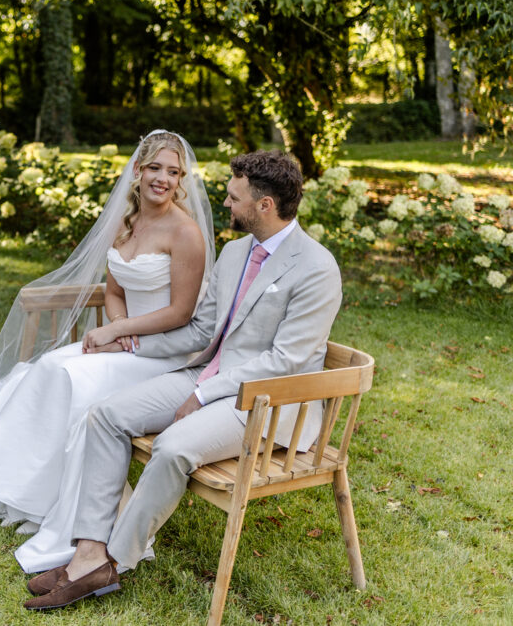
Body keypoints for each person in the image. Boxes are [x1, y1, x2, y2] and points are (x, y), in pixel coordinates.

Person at [23, 149, 343, 610]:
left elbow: (285, 360)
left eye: (234, 198)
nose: (226, 205)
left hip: (269, 403)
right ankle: (88, 550)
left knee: (173, 448)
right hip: (207, 377)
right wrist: (126, 340)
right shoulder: (235, 253)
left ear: (264, 205)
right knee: (107, 416)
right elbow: (198, 332)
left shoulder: (316, 267)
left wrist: (202, 393)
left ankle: (113, 561)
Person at [0, 131, 215, 552]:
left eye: (173, 172)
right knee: (44, 368)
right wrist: (118, 329)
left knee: (66, 376)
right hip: (125, 345)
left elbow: (181, 312)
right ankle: (3, 483)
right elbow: (116, 291)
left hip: (163, 353)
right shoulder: (127, 222)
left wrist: (117, 332)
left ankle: (42, 501)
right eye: (155, 168)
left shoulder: (186, 233)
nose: (163, 179)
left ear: (181, 180)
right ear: (137, 171)